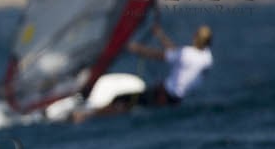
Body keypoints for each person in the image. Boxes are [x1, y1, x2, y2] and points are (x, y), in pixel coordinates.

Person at [74, 22, 212, 122]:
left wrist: (136, 49)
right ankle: (91, 114)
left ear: (196, 38)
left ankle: (86, 115)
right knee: (130, 103)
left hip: (164, 94)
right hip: (174, 99)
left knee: (121, 99)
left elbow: (160, 55)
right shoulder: (207, 58)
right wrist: (160, 35)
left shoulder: (187, 54)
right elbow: (176, 54)